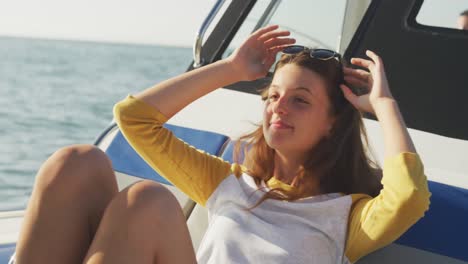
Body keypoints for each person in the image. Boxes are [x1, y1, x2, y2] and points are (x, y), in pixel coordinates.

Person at [13, 25, 430, 263]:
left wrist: (384, 104)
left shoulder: (346, 217)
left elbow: (408, 196)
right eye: (272, 97)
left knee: (149, 202)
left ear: (332, 124)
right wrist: (230, 69)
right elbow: (134, 120)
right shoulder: (230, 183)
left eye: (300, 101)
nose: (278, 108)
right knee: (76, 162)